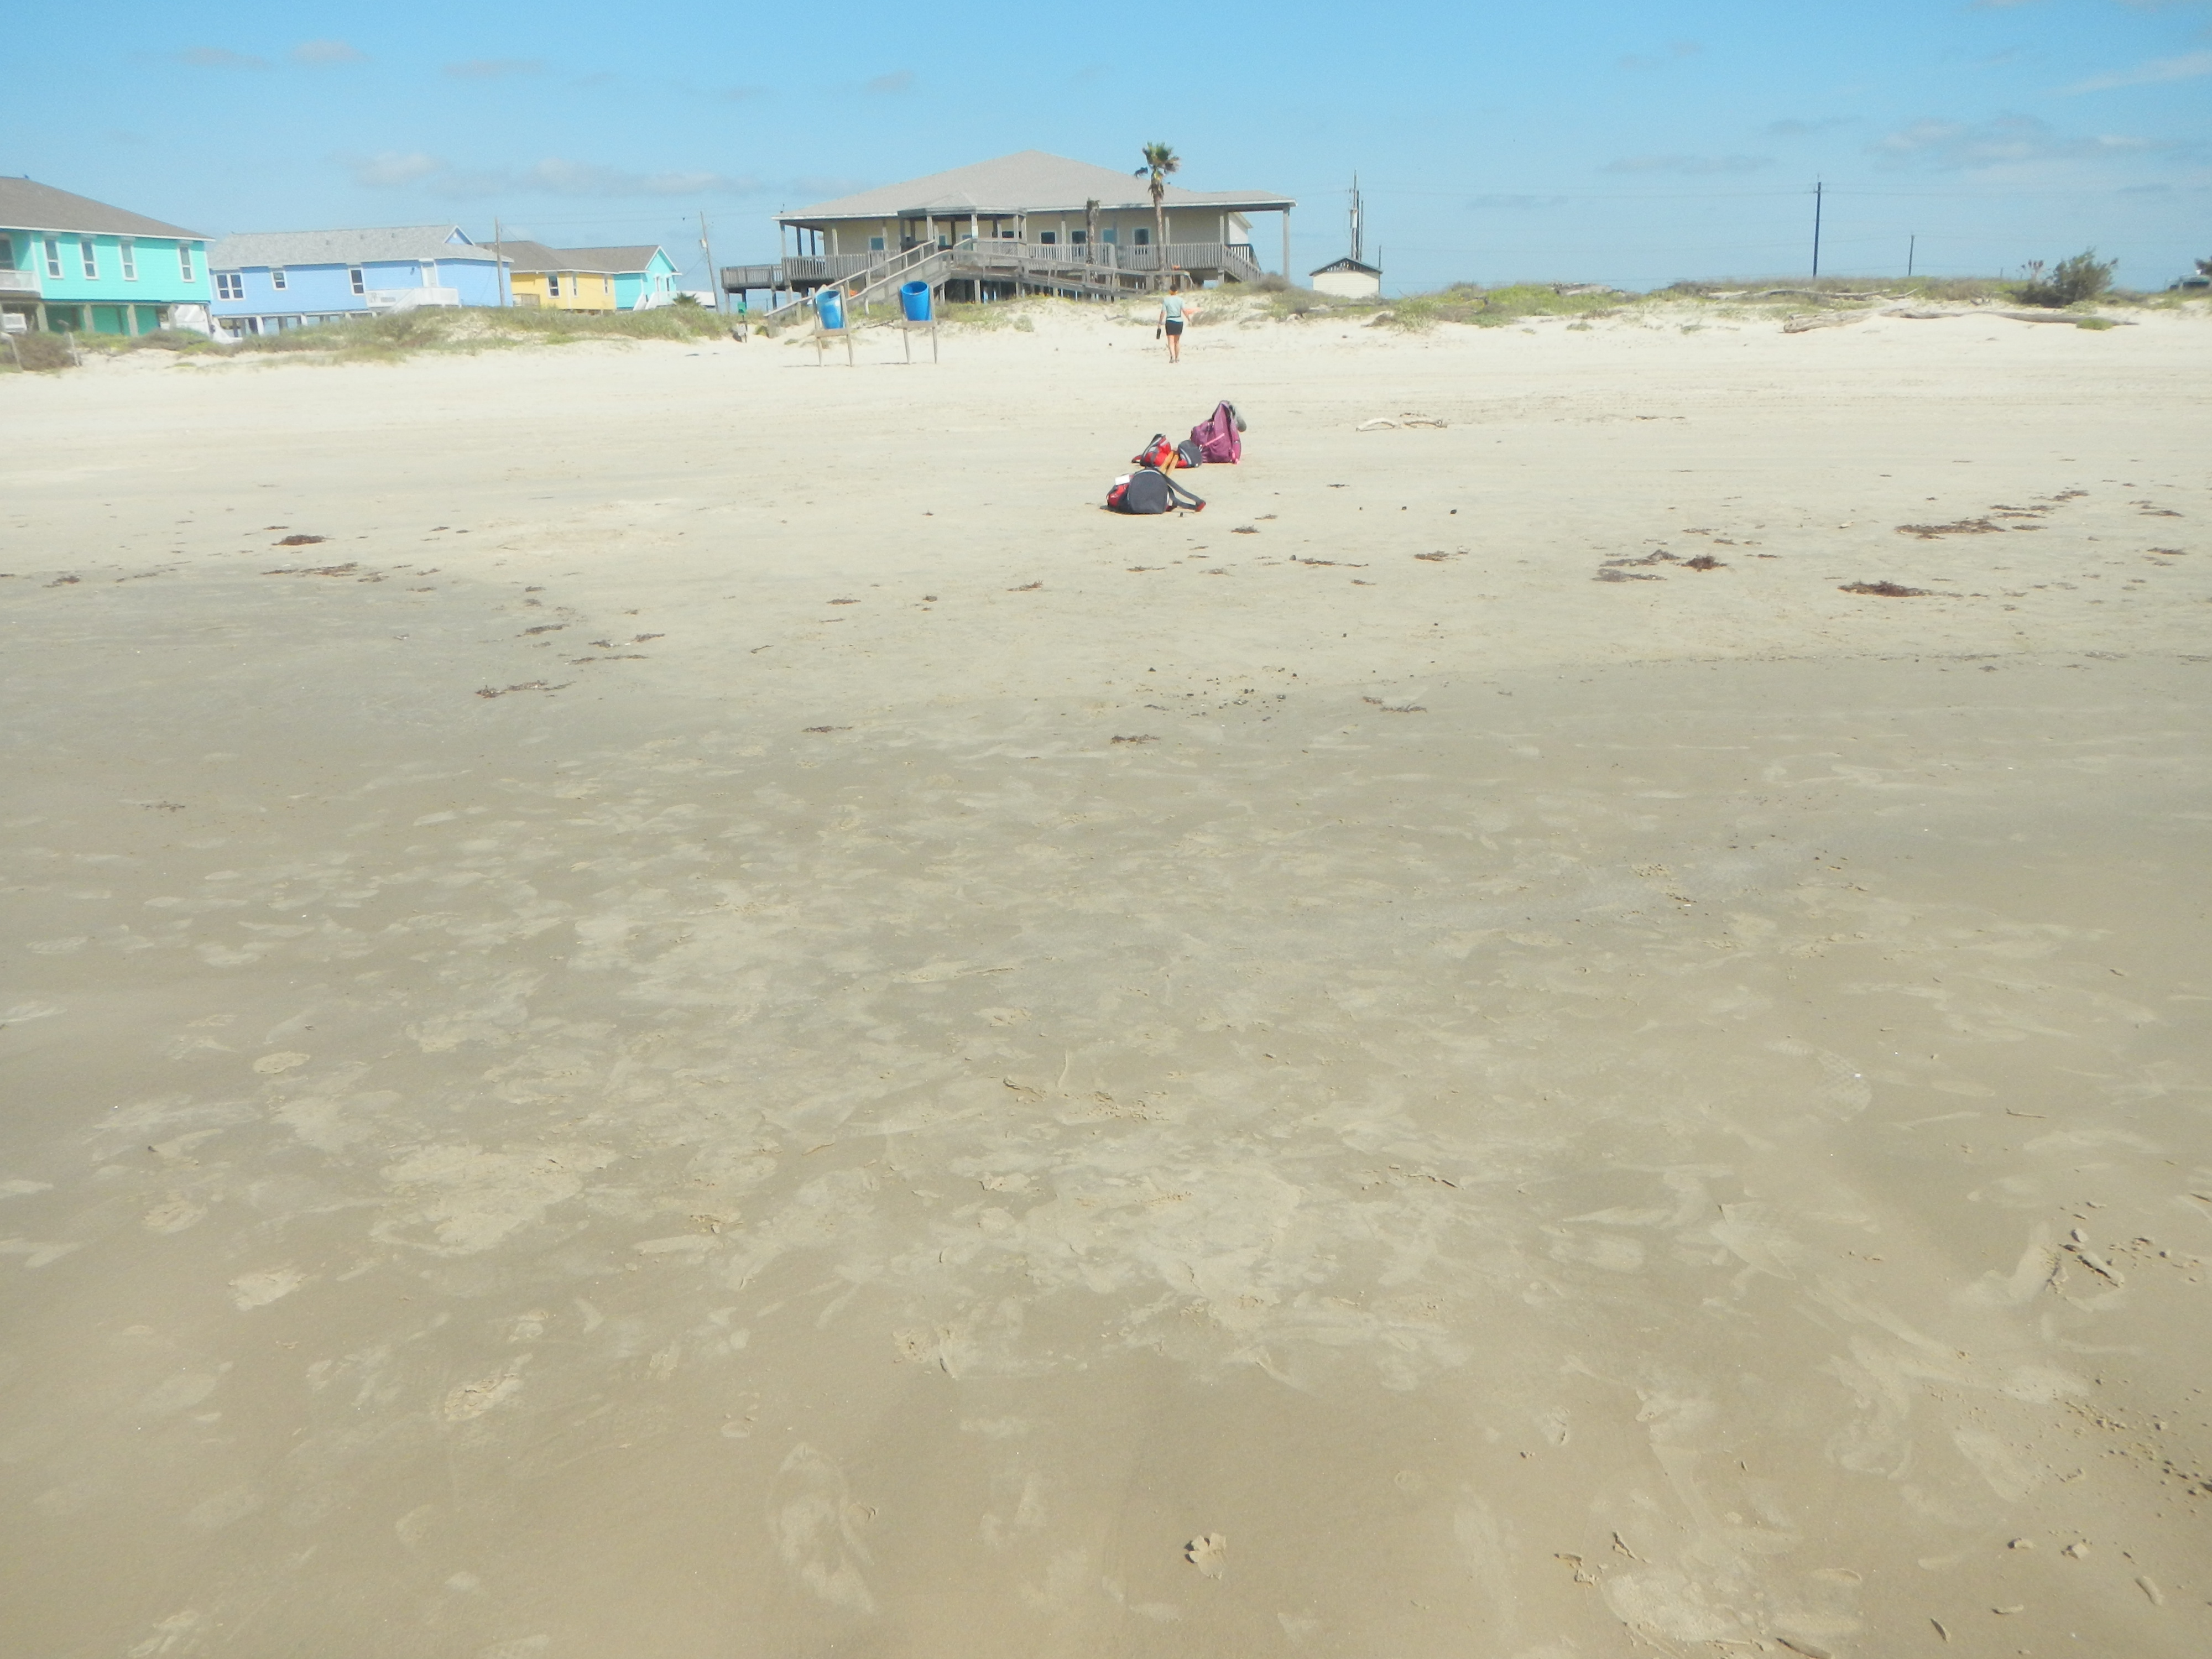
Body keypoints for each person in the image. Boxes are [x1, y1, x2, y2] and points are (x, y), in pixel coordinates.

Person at [1158, 278, 1196, 363]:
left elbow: (1163, 312)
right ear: (1177, 291)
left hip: (1170, 321)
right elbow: (1184, 311)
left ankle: (1172, 357)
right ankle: (1177, 357)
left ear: (1170, 291)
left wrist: (1160, 323)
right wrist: (1189, 319)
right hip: (1179, 321)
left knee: (1170, 341)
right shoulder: (1180, 300)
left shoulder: (1166, 300)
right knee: (1177, 341)